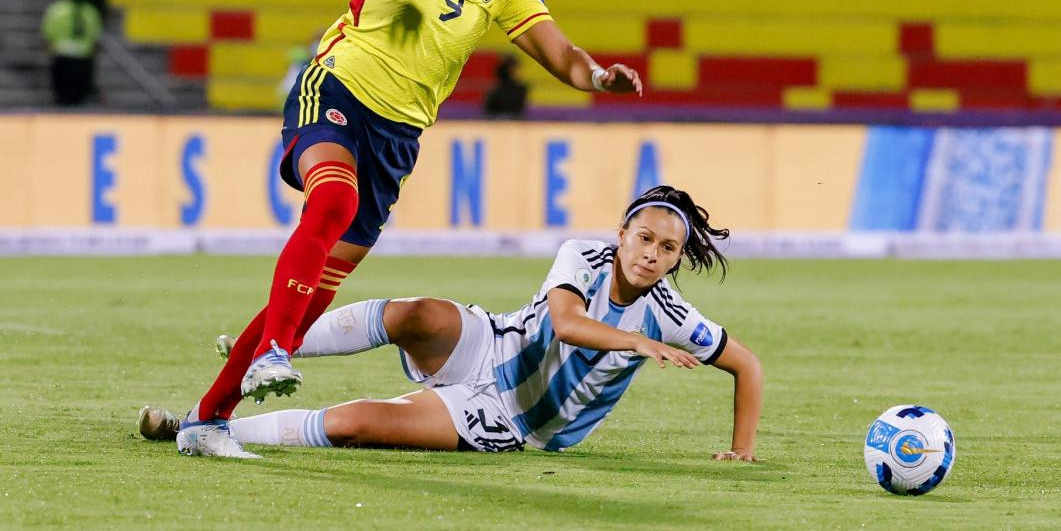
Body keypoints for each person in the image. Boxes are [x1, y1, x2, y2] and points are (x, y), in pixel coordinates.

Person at [169, 0, 644, 459]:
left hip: (396, 141)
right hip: (336, 90)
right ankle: (273, 353)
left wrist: (595, 74)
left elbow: (556, 50)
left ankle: (205, 419)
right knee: (332, 199)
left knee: (304, 302)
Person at [140, 186, 763, 461]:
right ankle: (276, 348)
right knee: (419, 314)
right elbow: (567, 322)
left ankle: (204, 429)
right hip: (493, 343)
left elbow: (748, 366)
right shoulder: (583, 255)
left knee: (360, 422)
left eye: (668, 249)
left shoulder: (673, 317)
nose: (652, 253)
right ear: (622, 232)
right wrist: (632, 340)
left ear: (679, 257)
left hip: (511, 419)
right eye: (644, 237)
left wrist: (743, 450)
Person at [42, 0, 103, 106]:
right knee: (79, 100)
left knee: (62, 98)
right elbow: (95, 40)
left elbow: (48, 36)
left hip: (62, 57)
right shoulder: (90, 12)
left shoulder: (56, 11)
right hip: (83, 59)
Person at [483, 53, 528, 117]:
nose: (517, 72)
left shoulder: (520, 89)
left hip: (511, 119)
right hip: (496, 119)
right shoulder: (496, 90)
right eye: (514, 69)